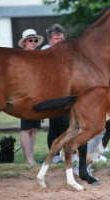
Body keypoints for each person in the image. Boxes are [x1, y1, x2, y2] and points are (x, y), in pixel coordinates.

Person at [41, 24, 68, 164]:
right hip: (52, 93)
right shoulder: (45, 50)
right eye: (56, 38)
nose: (59, 41)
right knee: (58, 124)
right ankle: (57, 155)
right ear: (50, 39)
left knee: (61, 124)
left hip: (64, 92)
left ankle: (59, 154)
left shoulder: (66, 51)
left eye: (62, 38)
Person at [18, 28, 44, 164]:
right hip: (25, 96)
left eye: (35, 40)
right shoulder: (21, 57)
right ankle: (29, 160)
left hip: (37, 96)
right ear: (24, 43)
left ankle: (31, 158)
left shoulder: (38, 57)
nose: (33, 43)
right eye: (30, 40)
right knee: (26, 128)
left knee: (34, 129)